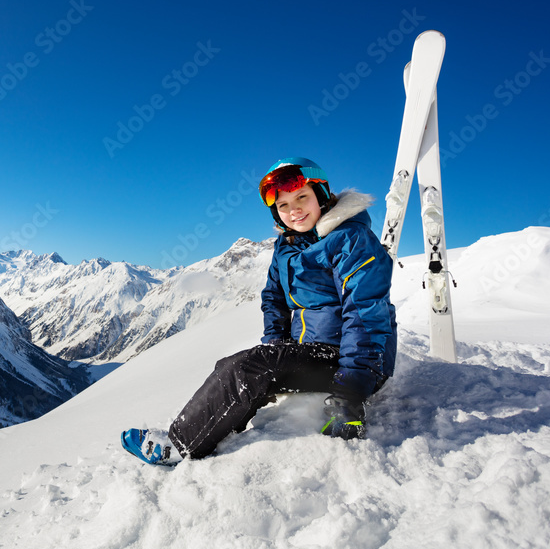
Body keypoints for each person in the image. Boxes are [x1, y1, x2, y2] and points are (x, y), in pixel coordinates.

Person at [122, 157, 397, 465]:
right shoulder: (288, 247)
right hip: (314, 351)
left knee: (249, 368)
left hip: (358, 363)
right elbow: (273, 298)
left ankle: (178, 445)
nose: (294, 210)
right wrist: (277, 345)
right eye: (283, 205)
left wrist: (351, 393)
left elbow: (364, 312)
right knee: (234, 364)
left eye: (301, 197)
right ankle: (221, 428)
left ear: (321, 195)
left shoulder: (350, 239)